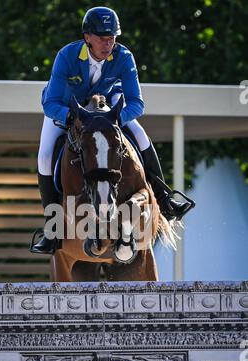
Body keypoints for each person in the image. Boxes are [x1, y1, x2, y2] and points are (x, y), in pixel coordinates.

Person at [32, 6, 194, 254]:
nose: (109, 44)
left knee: (139, 135)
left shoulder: (124, 56)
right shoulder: (66, 56)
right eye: (103, 38)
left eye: (113, 38)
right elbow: (50, 102)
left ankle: (164, 198)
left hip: (108, 113)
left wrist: (113, 121)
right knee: (44, 157)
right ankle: (51, 228)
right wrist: (72, 118)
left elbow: (137, 102)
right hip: (66, 112)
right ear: (88, 37)